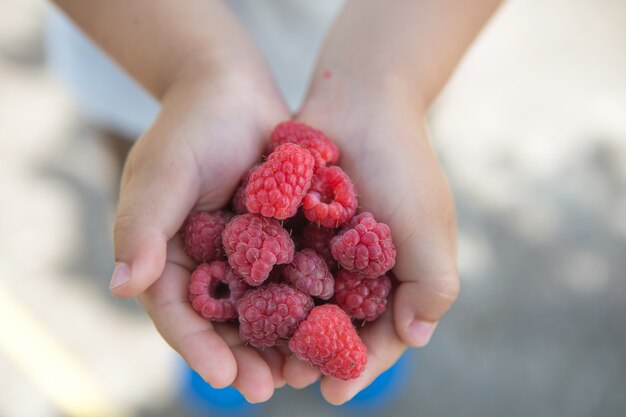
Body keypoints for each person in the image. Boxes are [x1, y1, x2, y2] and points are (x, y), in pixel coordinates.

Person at [50, 0, 500, 406]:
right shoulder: (259, 226)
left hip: (396, 47)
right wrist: (196, 71)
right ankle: (215, 383)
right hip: (145, 63)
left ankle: (352, 357)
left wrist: (388, 87)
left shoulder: (319, 229)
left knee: (375, 338)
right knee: (164, 218)